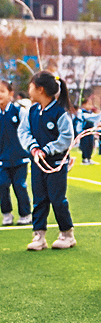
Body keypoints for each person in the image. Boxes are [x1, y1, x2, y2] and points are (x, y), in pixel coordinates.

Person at [17, 71, 76, 250]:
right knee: (39, 199)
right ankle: (39, 236)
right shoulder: (32, 111)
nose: (29, 90)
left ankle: (67, 234)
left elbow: (66, 137)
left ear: (40, 89)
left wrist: (47, 150)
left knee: (58, 199)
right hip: (37, 163)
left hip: (56, 164)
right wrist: (34, 148)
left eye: (31, 86)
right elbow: (23, 131)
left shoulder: (60, 113)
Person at [0, 80, 31, 226]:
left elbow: (27, 131)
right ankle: (6, 214)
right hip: (2, 159)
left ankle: (25, 214)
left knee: (20, 185)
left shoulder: (19, 111)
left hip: (20, 158)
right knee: (2, 184)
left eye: (2, 91)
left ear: (10, 94)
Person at [76, 96, 98, 164]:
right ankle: (84, 158)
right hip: (84, 131)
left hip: (91, 131)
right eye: (88, 104)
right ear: (84, 105)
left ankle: (89, 158)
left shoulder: (91, 113)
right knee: (85, 145)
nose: (90, 106)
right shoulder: (82, 113)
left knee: (90, 145)